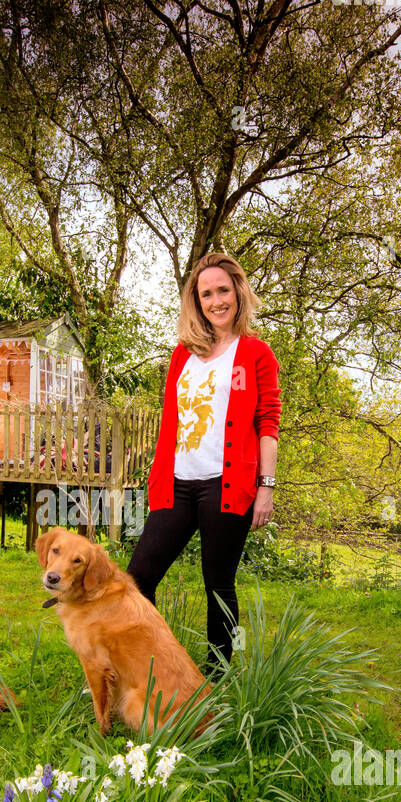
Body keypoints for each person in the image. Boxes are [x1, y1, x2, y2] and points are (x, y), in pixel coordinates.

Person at [127, 252, 281, 675]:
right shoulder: (183, 355)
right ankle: (150, 668)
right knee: (138, 579)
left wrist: (266, 486)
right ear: (196, 301)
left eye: (223, 291)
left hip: (226, 485)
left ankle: (217, 681)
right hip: (176, 483)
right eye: (206, 293)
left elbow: (268, 421)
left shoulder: (255, 353)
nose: (216, 301)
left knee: (217, 586)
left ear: (238, 292)